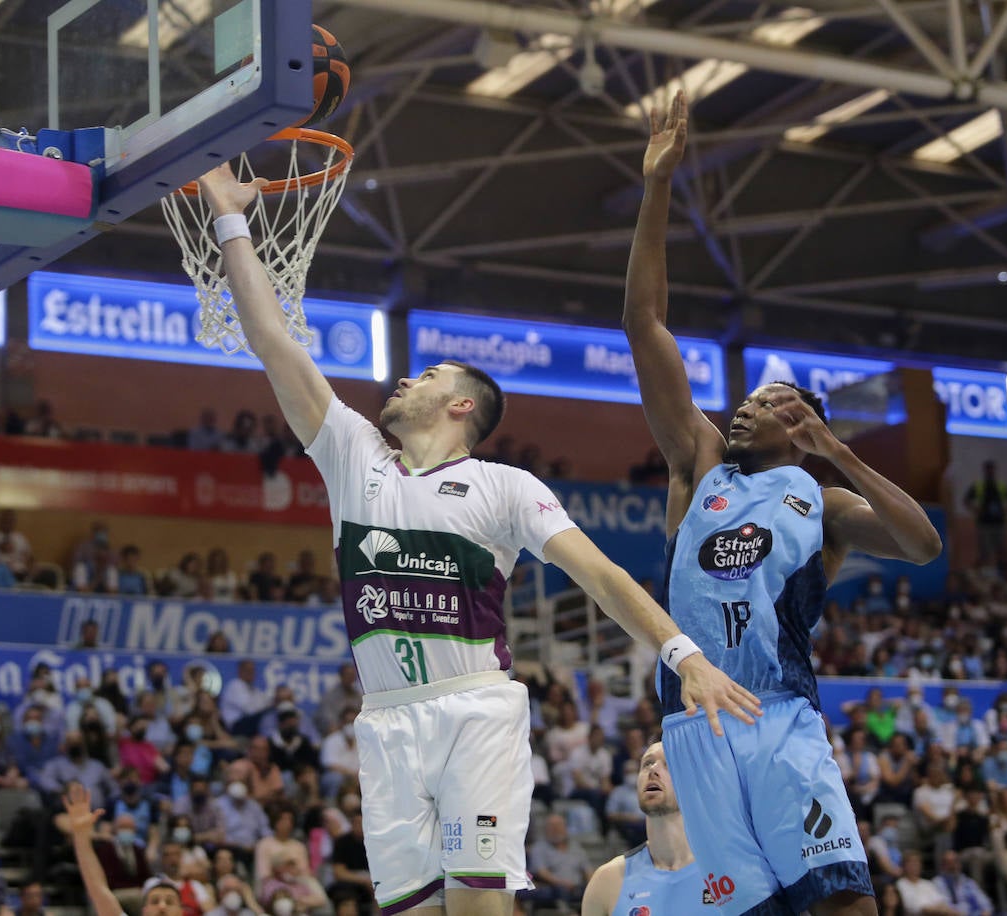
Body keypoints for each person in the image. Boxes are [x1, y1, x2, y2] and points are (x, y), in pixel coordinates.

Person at [193, 162, 758, 916]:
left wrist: (682, 655)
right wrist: (231, 219)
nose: (402, 382)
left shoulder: (506, 487)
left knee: (477, 906)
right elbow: (271, 339)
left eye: (424, 374)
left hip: (473, 711)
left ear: (460, 403)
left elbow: (602, 576)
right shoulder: (353, 455)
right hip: (386, 718)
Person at [624, 91, 942, 916]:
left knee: (841, 904)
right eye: (747, 400)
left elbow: (922, 546)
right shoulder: (698, 462)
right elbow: (644, 321)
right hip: (693, 721)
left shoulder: (822, 499)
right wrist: (657, 187)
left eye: (765, 402)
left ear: (800, 422)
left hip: (780, 719)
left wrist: (836, 455)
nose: (744, 407)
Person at [581, 743, 704, 916]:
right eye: (647, 763)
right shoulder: (607, 881)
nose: (653, 770)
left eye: (669, 764)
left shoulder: (728, 869)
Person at [63, 783, 184, 916]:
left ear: (181, 912)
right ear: (144, 911)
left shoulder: (138, 851)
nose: (162, 906)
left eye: (170, 902)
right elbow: (98, 890)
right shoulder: (110, 849)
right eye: (154, 902)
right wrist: (80, 835)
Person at [526, 814, 592, 913]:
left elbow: (588, 870)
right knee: (559, 890)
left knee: (591, 890)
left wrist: (592, 884)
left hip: (577, 887)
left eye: (559, 825)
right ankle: (568, 912)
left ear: (565, 827)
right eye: (552, 826)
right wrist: (562, 883)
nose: (555, 829)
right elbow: (541, 872)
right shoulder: (539, 848)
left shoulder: (576, 848)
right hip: (552, 887)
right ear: (546, 829)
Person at [964, 461, 1007, 566]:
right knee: (985, 550)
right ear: (985, 471)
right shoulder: (979, 485)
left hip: (999, 522)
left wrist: (1006, 511)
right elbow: (966, 500)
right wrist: (975, 510)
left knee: (1002, 550)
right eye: (988, 469)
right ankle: (986, 570)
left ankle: (1002, 569)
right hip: (984, 523)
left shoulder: (1001, 486)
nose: (990, 471)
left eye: (992, 469)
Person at [932, 850, 992, 916]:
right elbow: (939, 905)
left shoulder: (968, 882)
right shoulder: (937, 883)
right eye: (948, 863)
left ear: (959, 864)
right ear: (942, 866)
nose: (953, 866)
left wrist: (986, 912)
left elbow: (984, 903)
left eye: (955, 861)